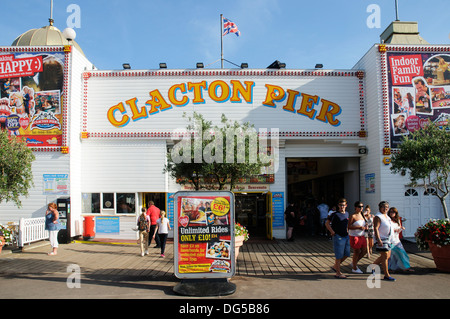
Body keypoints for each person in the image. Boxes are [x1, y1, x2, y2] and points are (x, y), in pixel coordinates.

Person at [370, 201, 396, 281]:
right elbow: (376, 228)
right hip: (382, 239)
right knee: (384, 257)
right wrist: (378, 239)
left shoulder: (386, 216)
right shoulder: (378, 216)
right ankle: (386, 275)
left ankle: (372, 267)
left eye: (387, 207)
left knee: (386, 256)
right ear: (380, 207)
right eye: (383, 207)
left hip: (389, 239)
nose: (385, 209)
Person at [326, 198, 350, 279]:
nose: (342, 207)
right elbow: (327, 223)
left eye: (343, 205)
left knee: (347, 254)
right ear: (338, 206)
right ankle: (338, 273)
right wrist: (332, 232)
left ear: (346, 205)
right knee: (339, 255)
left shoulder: (347, 213)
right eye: (340, 205)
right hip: (338, 236)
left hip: (346, 235)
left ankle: (335, 266)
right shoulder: (335, 214)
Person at [388, 207, 414, 272]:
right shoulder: (388, 220)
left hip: (396, 240)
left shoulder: (397, 220)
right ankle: (390, 268)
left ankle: (405, 267)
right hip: (390, 240)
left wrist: (401, 228)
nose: (392, 213)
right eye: (390, 212)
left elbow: (398, 228)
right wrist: (394, 230)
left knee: (402, 253)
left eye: (393, 212)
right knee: (391, 255)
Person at [348, 201, 367, 274]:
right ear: (355, 207)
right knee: (357, 251)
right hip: (354, 236)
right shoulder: (353, 216)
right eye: (359, 206)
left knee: (364, 250)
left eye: (362, 206)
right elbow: (349, 227)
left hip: (361, 235)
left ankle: (354, 262)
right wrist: (359, 227)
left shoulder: (362, 215)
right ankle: (354, 267)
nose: (361, 208)